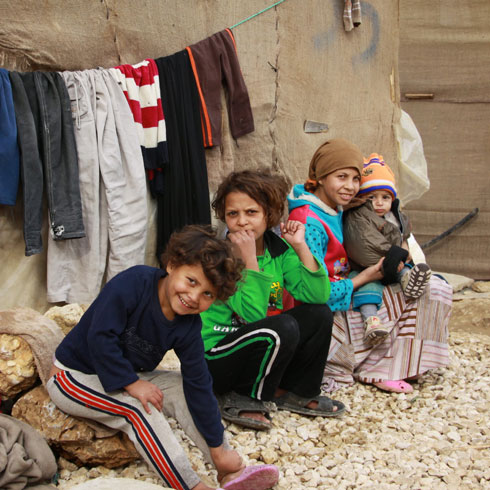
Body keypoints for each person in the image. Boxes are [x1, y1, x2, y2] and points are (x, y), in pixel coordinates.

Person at [46, 225, 279, 490]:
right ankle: (190, 485)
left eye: (207, 294)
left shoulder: (188, 324)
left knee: (183, 386)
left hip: (126, 375)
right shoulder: (133, 283)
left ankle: (225, 465)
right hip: (73, 377)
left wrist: (217, 443)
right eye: (191, 281)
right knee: (138, 408)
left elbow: (198, 381)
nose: (193, 297)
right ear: (171, 265)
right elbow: (100, 338)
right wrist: (132, 384)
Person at [288, 138, 452, 394]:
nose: (350, 187)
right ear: (319, 177)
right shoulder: (308, 221)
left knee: (433, 286)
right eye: (341, 176)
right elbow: (315, 295)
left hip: (347, 289)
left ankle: (404, 363)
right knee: (420, 293)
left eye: (355, 179)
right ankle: (378, 369)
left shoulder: (337, 208)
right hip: (324, 312)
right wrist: (365, 276)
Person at [200, 169, 344, 432]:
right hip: (216, 357)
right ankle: (243, 397)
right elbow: (252, 316)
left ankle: (298, 392)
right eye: (233, 214)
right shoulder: (218, 257)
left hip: (262, 345)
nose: (242, 222)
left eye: (251, 212)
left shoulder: (279, 251)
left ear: (270, 214)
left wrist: (300, 247)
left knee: (319, 313)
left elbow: (318, 295)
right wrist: (248, 261)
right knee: (281, 325)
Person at [342, 153, 432, 344]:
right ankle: (371, 322)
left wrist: (402, 254)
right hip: (364, 268)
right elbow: (365, 244)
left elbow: (405, 236)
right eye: (372, 197)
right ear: (362, 199)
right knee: (367, 290)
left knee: (407, 270)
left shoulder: (395, 217)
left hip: (392, 264)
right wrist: (395, 256)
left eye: (385, 197)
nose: (379, 202)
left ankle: (409, 282)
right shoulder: (357, 216)